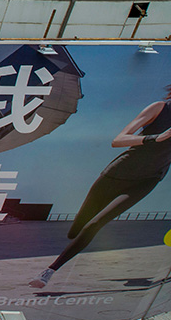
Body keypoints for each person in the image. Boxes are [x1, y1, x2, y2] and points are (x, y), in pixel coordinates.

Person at [32, 85, 171, 289]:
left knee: (97, 222)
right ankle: (75, 235)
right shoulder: (160, 108)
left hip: (147, 179)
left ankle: (49, 271)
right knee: (76, 228)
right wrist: (155, 138)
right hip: (118, 173)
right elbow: (118, 140)